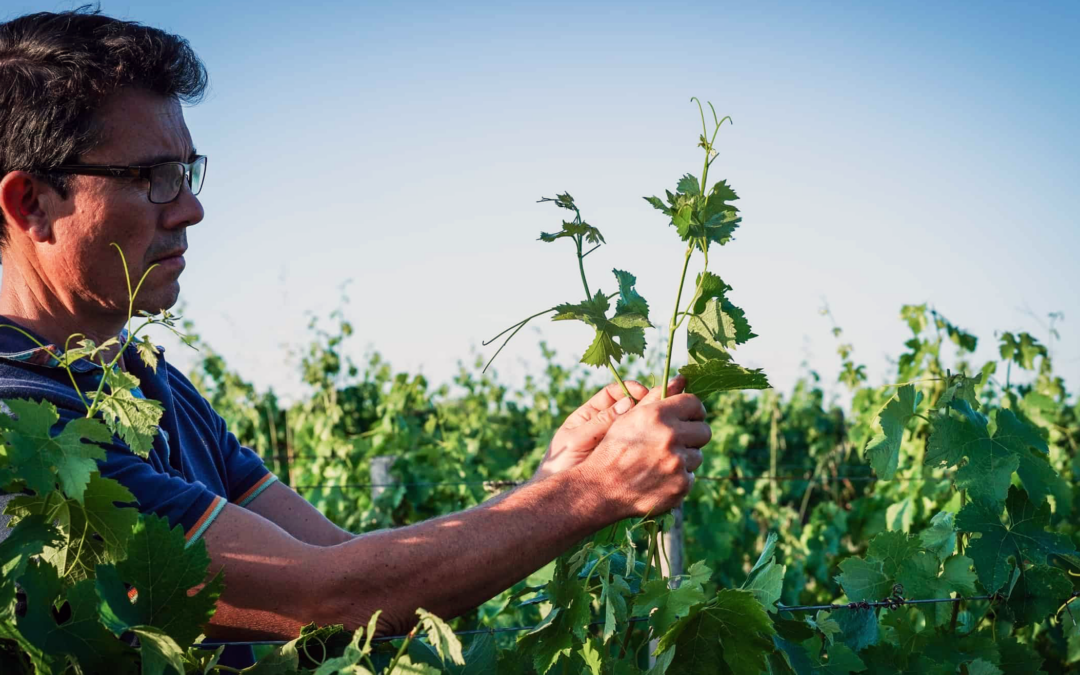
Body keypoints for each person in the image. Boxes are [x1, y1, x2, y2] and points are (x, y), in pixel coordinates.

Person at [0, 5, 709, 653]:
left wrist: (556, 479)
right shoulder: (17, 432)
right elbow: (327, 597)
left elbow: (354, 566)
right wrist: (594, 492)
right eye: (152, 176)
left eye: (187, 172)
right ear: (30, 201)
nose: (189, 210)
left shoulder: (151, 385)